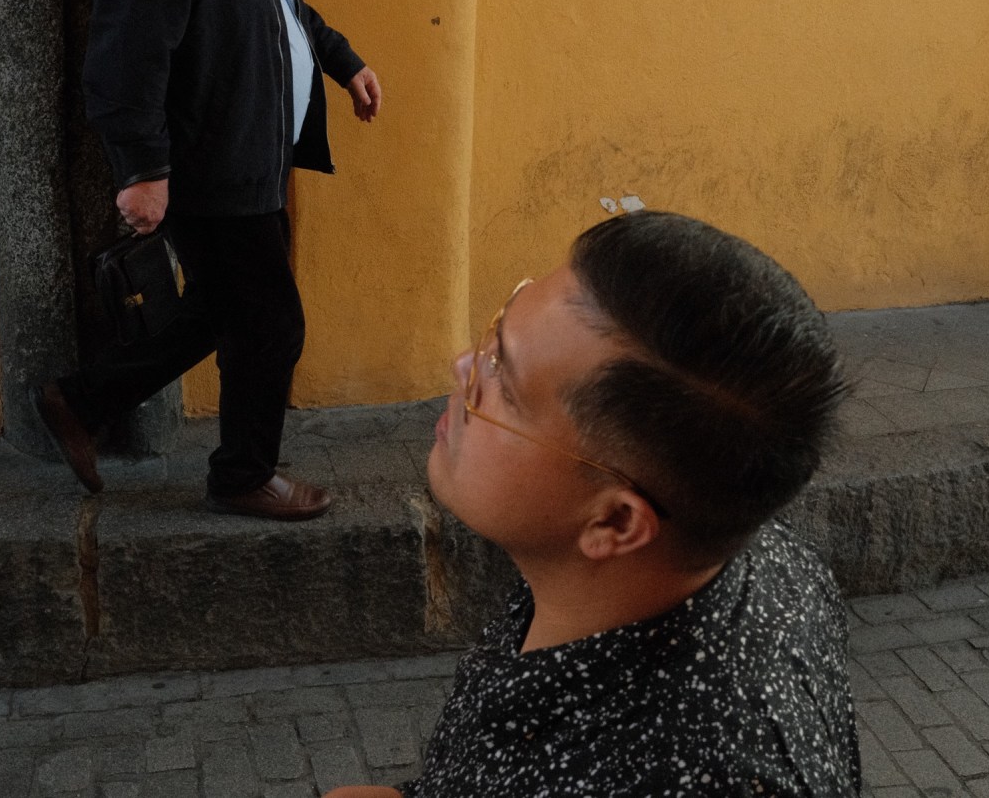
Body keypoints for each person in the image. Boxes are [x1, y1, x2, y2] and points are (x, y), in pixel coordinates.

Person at [329, 211, 860, 797]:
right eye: (498, 330)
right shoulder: (750, 556)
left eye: (504, 382)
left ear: (614, 521)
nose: (463, 365)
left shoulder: (686, 776)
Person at [31, 0, 382, 521]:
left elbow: (285, 8)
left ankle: (79, 401)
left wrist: (340, 60)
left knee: (221, 311)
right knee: (271, 323)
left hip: (248, 156)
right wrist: (142, 169)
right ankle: (242, 476)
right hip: (210, 163)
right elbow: (125, 55)